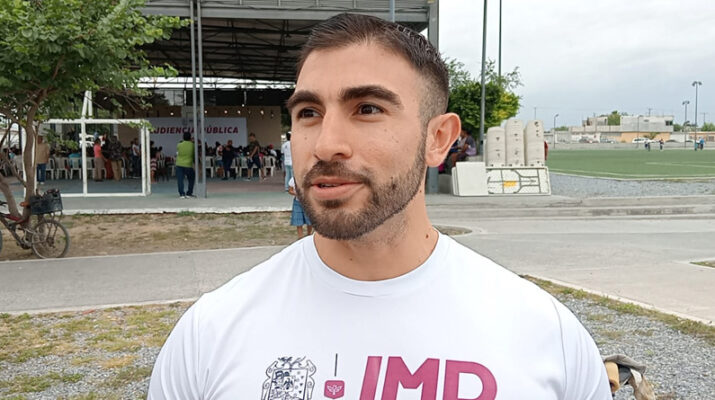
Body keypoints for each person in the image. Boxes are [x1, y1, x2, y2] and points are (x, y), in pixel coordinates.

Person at [149, 13, 610, 399]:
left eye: (367, 108)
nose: (325, 144)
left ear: (438, 139)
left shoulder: (545, 337)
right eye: (309, 113)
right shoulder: (210, 334)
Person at [175, 132, 195, 198]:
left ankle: (182, 194)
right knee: (191, 178)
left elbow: (178, 153)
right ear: (190, 137)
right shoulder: (192, 145)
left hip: (179, 164)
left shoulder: (179, 145)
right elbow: (194, 155)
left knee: (180, 180)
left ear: (183, 137)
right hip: (188, 165)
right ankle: (189, 193)